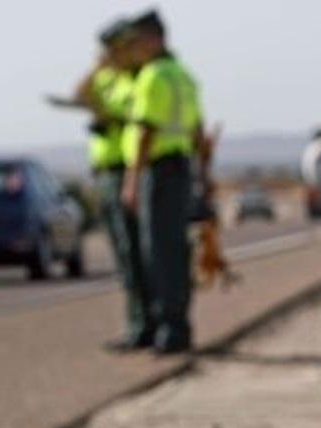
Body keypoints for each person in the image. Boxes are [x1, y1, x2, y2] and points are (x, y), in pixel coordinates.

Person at [121, 10, 210, 354]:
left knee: (158, 252)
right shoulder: (183, 76)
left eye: (138, 42)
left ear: (154, 39)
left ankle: (169, 329)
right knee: (175, 250)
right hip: (181, 169)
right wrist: (203, 175)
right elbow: (198, 130)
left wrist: (132, 180)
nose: (135, 50)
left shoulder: (153, 76)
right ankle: (177, 325)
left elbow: (145, 131)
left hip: (158, 172)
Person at [74, 18, 155, 352]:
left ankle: (145, 325)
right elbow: (80, 95)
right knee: (125, 256)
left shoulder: (133, 82)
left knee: (134, 253)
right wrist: (97, 68)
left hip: (125, 171)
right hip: (105, 173)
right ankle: (139, 323)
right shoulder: (108, 77)